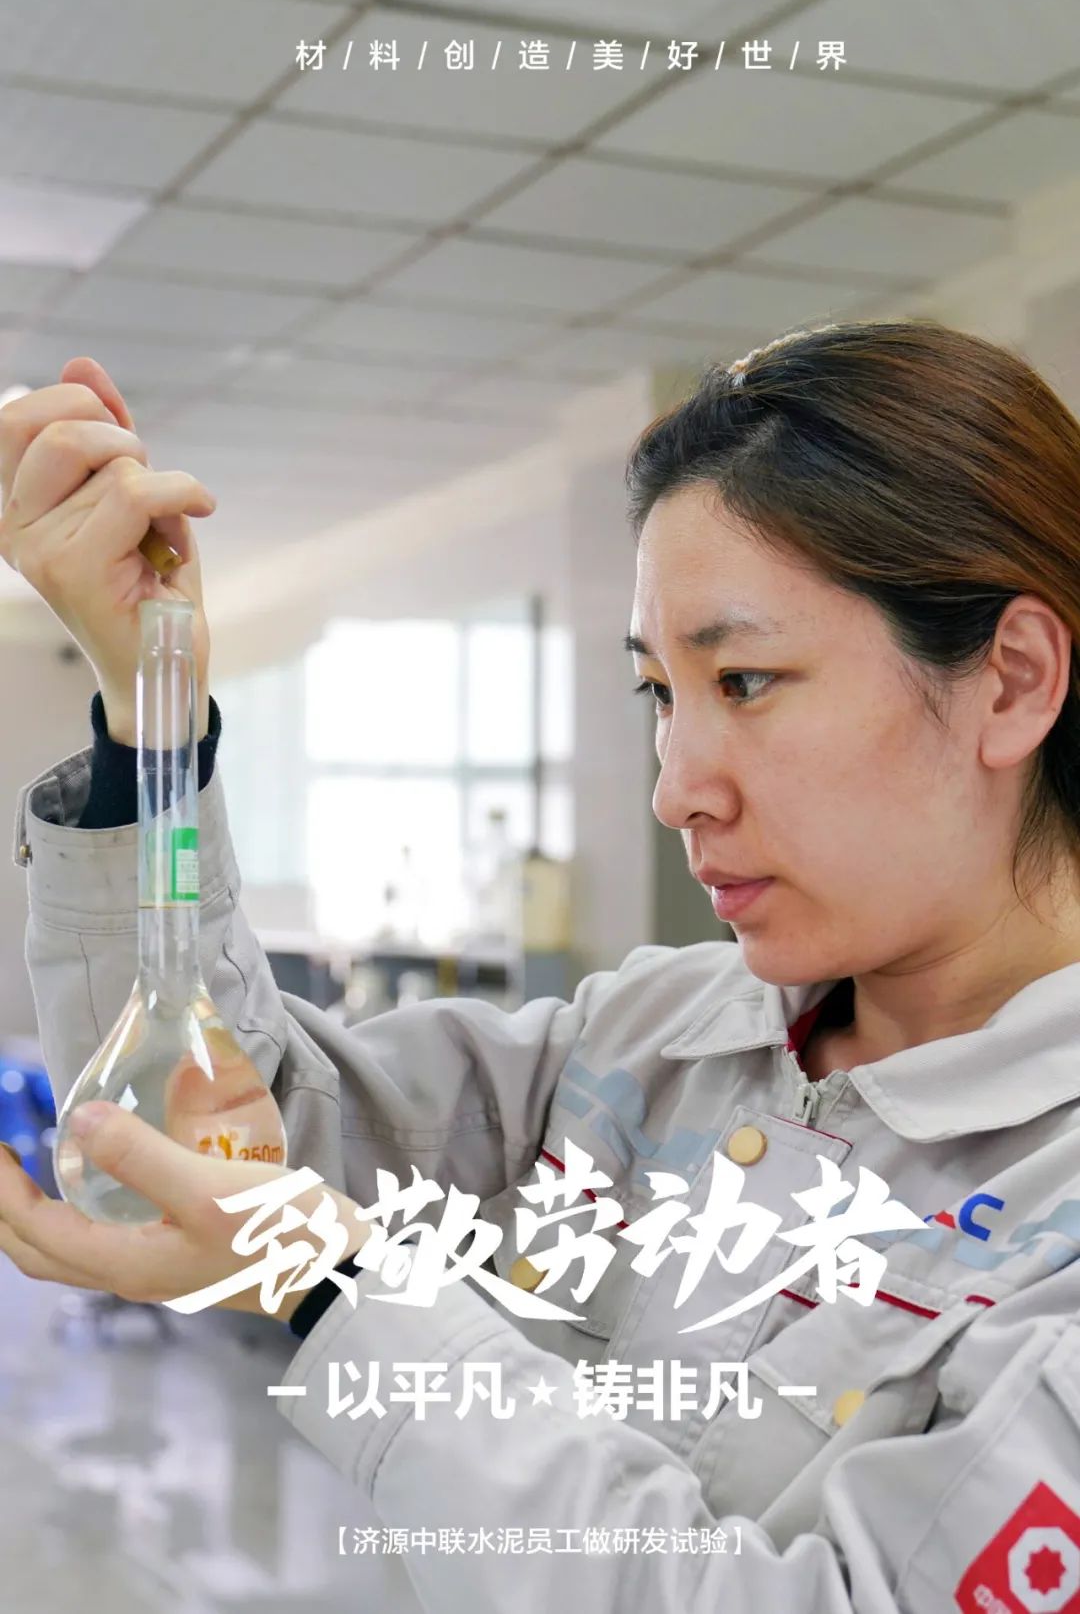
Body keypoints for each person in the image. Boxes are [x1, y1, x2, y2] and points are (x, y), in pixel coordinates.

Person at [1, 322, 1079, 1613]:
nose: (676, 791)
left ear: (1012, 682)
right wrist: (153, 713)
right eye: (660, 696)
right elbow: (223, 1126)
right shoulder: (654, 1041)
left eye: (745, 680)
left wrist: (334, 1279)